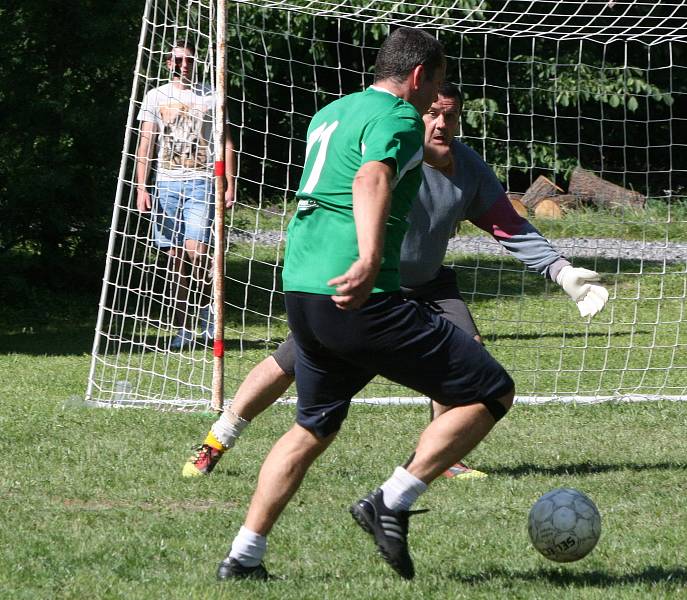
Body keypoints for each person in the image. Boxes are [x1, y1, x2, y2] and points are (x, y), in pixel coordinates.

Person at [183, 82, 609, 480]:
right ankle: (218, 439)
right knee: (288, 364)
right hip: (369, 286)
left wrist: (562, 270)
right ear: (415, 114)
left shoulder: (469, 168)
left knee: (467, 357)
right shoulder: (388, 151)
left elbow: (508, 225)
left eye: (451, 116)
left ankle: (445, 460)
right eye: (433, 114)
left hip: (429, 285)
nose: (441, 123)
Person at [215, 27, 517, 582]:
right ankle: (392, 500)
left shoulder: (332, 112)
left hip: (303, 286)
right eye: (439, 85)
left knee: (313, 426)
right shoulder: (401, 117)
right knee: (491, 390)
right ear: (420, 76)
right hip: (359, 295)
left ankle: (243, 557)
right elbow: (371, 175)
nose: (437, 102)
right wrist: (372, 258)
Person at [135, 39, 236, 350]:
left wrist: (230, 182)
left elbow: (226, 141)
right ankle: (182, 328)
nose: (184, 65)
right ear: (168, 63)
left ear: (195, 62)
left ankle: (207, 317)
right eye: (178, 60)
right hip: (166, 184)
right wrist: (141, 187)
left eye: (189, 59)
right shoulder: (156, 96)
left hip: (202, 182)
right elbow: (146, 144)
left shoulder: (212, 95)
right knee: (175, 259)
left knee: (199, 253)